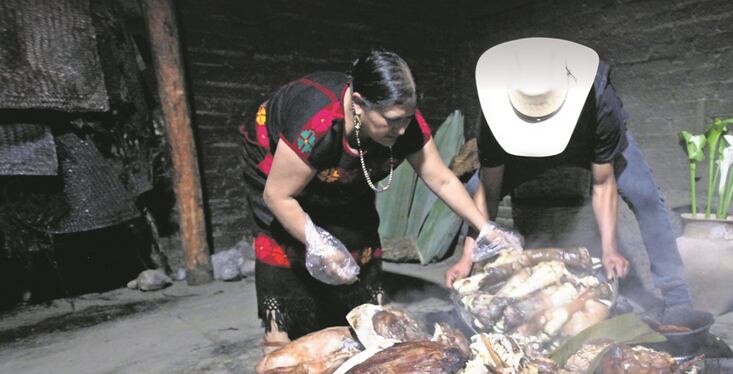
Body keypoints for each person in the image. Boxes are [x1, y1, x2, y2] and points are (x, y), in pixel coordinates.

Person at [240, 49, 520, 350]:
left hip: (341, 165)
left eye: (408, 119)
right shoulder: (317, 123)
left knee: (355, 226)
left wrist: (486, 228)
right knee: (284, 240)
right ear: (359, 104)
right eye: (393, 121)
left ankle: (358, 314)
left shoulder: (401, 125)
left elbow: (440, 179)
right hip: (276, 160)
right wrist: (316, 241)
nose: (402, 131)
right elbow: (278, 195)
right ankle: (278, 335)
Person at [444, 38, 691, 319]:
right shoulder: (495, 114)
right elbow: (488, 192)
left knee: (645, 195)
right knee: (474, 185)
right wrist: (466, 258)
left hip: (586, 142)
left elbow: (602, 182)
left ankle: (677, 297)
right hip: (522, 148)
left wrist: (610, 248)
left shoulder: (600, 100)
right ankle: (469, 285)